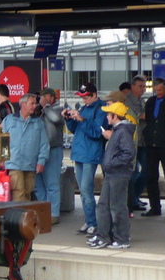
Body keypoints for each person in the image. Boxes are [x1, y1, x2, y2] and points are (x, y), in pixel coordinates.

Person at [89, 101, 137, 249]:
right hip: (112, 173)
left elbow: (129, 153)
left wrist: (111, 163)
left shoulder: (122, 131)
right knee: (103, 205)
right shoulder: (119, 130)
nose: (107, 117)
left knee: (117, 207)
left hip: (118, 173)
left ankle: (122, 238)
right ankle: (103, 235)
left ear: (115, 116)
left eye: (108, 115)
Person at [63, 82, 106, 236]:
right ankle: (89, 221)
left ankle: (93, 223)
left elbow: (97, 133)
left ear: (94, 95)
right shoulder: (84, 108)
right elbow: (75, 129)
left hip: (91, 154)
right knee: (82, 190)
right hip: (79, 153)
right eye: (81, 97)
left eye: (86, 97)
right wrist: (69, 119)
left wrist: (81, 119)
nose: (83, 100)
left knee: (87, 190)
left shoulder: (100, 108)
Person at [142, 77, 165, 218]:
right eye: (155, 90)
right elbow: (148, 120)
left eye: (160, 90)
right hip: (151, 144)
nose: (157, 92)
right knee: (151, 176)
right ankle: (155, 207)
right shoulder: (151, 101)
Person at [1, 92, 48, 202]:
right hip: (14, 163)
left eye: (35, 104)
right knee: (19, 193)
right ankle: (19, 218)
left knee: (27, 193)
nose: (35, 106)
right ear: (23, 104)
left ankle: (24, 218)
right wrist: (2, 159)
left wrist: (41, 161)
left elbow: (44, 144)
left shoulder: (38, 122)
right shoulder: (9, 120)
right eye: (32, 103)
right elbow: (2, 141)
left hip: (30, 164)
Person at [34, 87, 65, 223]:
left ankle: (53, 214)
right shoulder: (40, 111)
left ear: (52, 97)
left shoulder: (58, 108)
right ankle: (43, 211)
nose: (41, 99)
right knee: (38, 184)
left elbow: (56, 118)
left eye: (44, 96)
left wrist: (46, 107)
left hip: (53, 149)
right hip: (39, 150)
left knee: (52, 184)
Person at [124, 75, 148, 213]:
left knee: (147, 171)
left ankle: (135, 196)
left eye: (144, 86)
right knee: (133, 172)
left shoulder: (143, 101)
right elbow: (130, 117)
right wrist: (140, 115)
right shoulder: (127, 101)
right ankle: (132, 201)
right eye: (140, 86)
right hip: (132, 141)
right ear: (132, 86)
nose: (143, 89)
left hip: (143, 140)